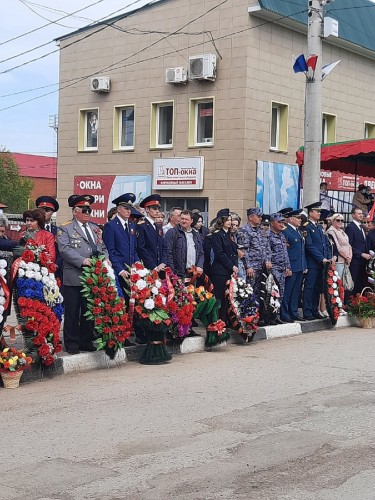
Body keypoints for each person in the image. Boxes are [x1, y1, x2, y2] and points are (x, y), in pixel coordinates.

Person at [57, 194, 108, 354]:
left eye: (89, 210)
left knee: (90, 311)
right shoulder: (65, 228)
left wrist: (106, 260)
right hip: (75, 276)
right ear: (75, 211)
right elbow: (64, 250)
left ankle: (86, 341)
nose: (87, 213)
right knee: (72, 312)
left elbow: (103, 247)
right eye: (84, 210)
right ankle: (71, 344)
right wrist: (82, 261)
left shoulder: (95, 228)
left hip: (93, 276)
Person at [303, 202, 332, 320]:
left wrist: (328, 257)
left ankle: (315, 310)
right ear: (310, 212)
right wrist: (321, 258)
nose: (319, 213)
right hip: (313, 262)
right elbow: (309, 246)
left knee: (318, 288)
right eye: (317, 211)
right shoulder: (307, 226)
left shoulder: (319, 226)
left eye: (320, 211)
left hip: (322, 263)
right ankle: (307, 311)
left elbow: (326, 244)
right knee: (309, 287)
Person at [209, 209, 238, 322]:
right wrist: (232, 266)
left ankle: (224, 321)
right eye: (227, 220)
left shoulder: (229, 235)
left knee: (227, 298)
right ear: (221, 221)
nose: (230, 222)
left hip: (228, 271)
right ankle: (216, 322)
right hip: (220, 271)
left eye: (230, 220)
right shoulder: (217, 235)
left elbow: (233, 253)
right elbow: (220, 254)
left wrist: (234, 267)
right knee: (219, 298)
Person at [103, 193, 139, 285]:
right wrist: (120, 270)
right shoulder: (111, 226)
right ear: (118, 209)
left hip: (131, 271)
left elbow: (134, 248)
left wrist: (137, 262)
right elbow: (110, 251)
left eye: (130, 208)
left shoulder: (132, 225)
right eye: (126, 208)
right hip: (118, 271)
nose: (129, 211)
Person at [237, 208, 271, 301]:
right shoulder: (244, 231)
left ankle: (259, 314)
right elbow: (244, 251)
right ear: (251, 217)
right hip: (252, 268)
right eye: (258, 216)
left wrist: (268, 260)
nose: (261, 218)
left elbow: (267, 247)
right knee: (250, 292)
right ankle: (250, 314)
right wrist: (248, 266)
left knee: (262, 293)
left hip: (262, 267)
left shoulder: (261, 231)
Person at [281, 209, 306, 322]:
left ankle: (293, 312)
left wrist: (304, 265)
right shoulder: (286, 230)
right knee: (288, 291)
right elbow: (285, 249)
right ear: (291, 219)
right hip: (291, 265)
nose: (300, 220)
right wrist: (287, 266)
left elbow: (301, 249)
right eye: (298, 218)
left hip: (299, 265)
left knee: (296, 291)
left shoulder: (298, 231)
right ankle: (285, 313)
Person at [164, 209, 204, 278]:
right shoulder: (172, 232)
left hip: (193, 274)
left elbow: (201, 252)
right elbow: (168, 253)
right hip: (178, 274)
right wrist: (173, 273)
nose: (183, 221)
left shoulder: (196, 235)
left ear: (191, 221)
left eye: (186, 219)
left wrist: (200, 266)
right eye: (182, 218)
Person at [268, 213, 291, 323]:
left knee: (280, 293)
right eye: (279, 222)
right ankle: (270, 317)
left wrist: (288, 266)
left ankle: (277, 316)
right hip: (274, 269)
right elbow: (267, 252)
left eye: (283, 222)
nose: (282, 224)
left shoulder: (282, 235)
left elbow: (285, 253)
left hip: (282, 269)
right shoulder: (268, 235)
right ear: (272, 223)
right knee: (273, 293)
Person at [345, 207, 371, 298]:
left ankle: (357, 304)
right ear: (353, 215)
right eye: (359, 213)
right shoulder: (350, 227)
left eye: (362, 213)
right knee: (352, 282)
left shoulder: (361, 227)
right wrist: (361, 254)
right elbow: (349, 245)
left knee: (360, 283)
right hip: (355, 260)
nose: (361, 215)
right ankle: (348, 303)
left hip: (364, 261)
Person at [136, 194, 166, 271]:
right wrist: (152, 266)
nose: (157, 211)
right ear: (147, 209)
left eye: (158, 209)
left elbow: (162, 246)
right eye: (154, 208)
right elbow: (141, 248)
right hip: (148, 267)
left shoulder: (158, 226)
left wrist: (163, 262)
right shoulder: (141, 226)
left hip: (159, 267)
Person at [326, 213, 352, 280]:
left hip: (346, 260)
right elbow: (337, 246)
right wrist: (346, 257)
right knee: (338, 281)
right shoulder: (331, 231)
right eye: (338, 220)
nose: (340, 222)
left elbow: (348, 245)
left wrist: (349, 257)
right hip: (339, 260)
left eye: (342, 220)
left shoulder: (341, 231)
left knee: (344, 282)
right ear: (333, 221)